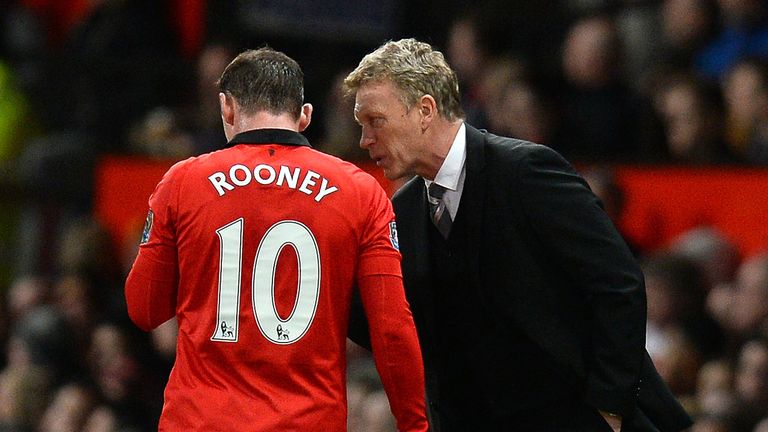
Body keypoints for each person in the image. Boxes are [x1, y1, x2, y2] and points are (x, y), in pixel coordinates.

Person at [344, 38, 692, 431]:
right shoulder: (402, 210)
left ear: (424, 110)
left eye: (376, 120)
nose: (365, 140)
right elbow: (385, 325)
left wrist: (609, 408)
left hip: (573, 417)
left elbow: (617, 283)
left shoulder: (526, 171)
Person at [124, 47, 428, 431]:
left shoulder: (183, 182)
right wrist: (414, 424)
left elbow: (143, 308)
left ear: (227, 109)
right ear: (304, 116)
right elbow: (392, 330)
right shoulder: (361, 192)